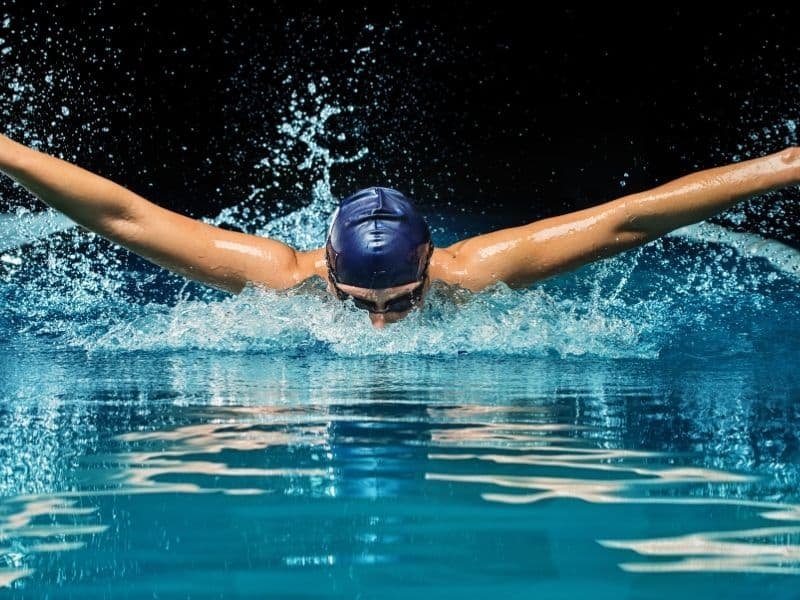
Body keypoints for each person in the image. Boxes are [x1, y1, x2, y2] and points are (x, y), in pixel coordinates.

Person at [1, 133, 798, 328]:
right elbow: (125, 216)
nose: (381, 326)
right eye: (360, 305)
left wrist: (784, 166)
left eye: (402, 303)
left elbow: (635, 216)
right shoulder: (279, 273)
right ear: (325, 268)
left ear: (430, 267)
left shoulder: (479, 269)